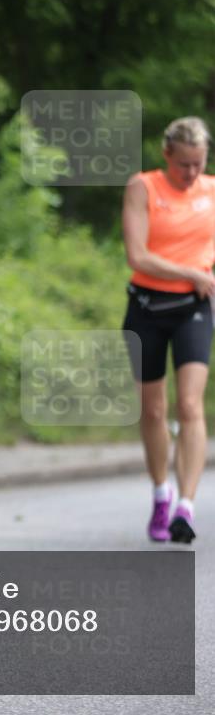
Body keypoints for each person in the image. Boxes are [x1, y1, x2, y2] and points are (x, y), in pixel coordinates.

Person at [122, 116, 214, 544]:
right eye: (183, 165)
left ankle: (186, 507)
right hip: (146, 310)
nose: (191, 173)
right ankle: (162, 493)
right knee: (154, 410)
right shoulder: (143, 187)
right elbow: (138, 256)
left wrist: (200, 280)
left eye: (198, 164)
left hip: (193, 311)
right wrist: (191, 272)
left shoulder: (212, 191)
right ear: (166, 156)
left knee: (191, 406)